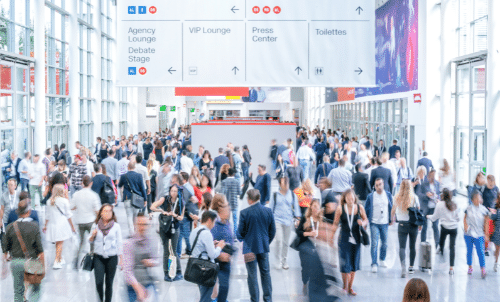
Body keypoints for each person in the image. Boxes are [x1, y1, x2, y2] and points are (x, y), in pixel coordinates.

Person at [2, 198, 44, 302]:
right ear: (29, 212)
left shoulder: (10, 227)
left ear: (17, 212)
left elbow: (5, 250)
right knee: (36, 290)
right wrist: (43, 265)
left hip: (16, 262)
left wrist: (4, 267)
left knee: (18, 292)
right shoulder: (34, 226)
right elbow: (40, 251)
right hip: (32, 262)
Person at [237, 189, 276, 302]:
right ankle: (268, 299)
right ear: (258, 198)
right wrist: (266, 242)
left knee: (252, 276)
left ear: (249, 199)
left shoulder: (244, 213)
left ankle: (255, 299)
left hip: (249, 249)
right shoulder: (268, 211)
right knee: (265, 273)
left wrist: (243, 239)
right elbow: (272, 231)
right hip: (263, 247)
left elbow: (240, 233)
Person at [331, 189, 368, 296]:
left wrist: (363, 222)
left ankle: (350, 287)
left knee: (353, 263)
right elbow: (335, 224)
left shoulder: (360, 207)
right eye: (348, 199)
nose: (351, 200)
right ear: (345, 199)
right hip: (344, 239)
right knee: (344, 263)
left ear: (354, 198)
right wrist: (331, 237)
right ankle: (344, 285)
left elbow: (366, 219)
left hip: (356, 239)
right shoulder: (340, 208)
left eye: (352, 198)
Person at [89, 204, 124, 302]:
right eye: (105, 211)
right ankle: (100, 299)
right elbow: (90, 241)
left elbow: (119, 242)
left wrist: (121, 258)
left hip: (112, 257)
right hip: (98, 257)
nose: (107, 213)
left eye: (109, 211)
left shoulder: (116, 226)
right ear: (100, 213)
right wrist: (93, 235)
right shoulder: (95, 225)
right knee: (99, 282)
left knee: (109, 283)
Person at [189, 211, 226, 302]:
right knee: (206, 297)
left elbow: (198, 248)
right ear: (209, 220)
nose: (213, 225)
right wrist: (219, 247)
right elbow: (212, 255)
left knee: (204, 294)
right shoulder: (207, 233)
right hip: (206, 269)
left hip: (196, 267)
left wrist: (211, 245)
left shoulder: (195, 231)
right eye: (213, 222)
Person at [151, 184, 185, 282]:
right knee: (166, 250)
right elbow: (152, 207)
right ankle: (167, 273)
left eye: (175, 191)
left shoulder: (181, 202)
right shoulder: (164, 199)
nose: (173, 193)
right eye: (172, 191)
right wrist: (161, 211)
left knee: (173, 251)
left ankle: (176, 272)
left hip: (175, 227)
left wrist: (174, 215)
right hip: (165, 226)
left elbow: (181, 217)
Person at [123, 213, 159, 302]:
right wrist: (138, 288)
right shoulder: (128, 243)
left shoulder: (151, 240)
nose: (143, 227)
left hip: (148, 282)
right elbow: (127, 271)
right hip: (133, 286)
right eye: (140, 224)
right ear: (135, 225)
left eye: (145, 224)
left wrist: (151, 262)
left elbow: (157, 259)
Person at [269, 176, 301, 270]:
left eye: (287, 183)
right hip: (277, 220)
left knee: (285, 242)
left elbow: (296, 207)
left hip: (288, 221)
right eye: (284, 183)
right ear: (279, 184)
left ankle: (284, 260)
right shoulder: (275, 195)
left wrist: (298, 218)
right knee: (279, 240)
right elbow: (271, 209)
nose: (286, 185)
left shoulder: (292, 195)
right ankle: (278, 260)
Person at [391, 179, 421, 277]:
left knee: (402, 247)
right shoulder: (414, 197)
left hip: (402, 225)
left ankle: (403, 267)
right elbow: (418, 210)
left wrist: (392, 219)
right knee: (412, 246)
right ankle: (411, 267)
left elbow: (393, 211)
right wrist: (420, 224)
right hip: (413, 225)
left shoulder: (397, 197)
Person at [427, 188, 460, 275]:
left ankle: (440, 248)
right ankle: (451, 268)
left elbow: (434, 217)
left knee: (442, 239)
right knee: (452, 247)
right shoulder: (455, 204)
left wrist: (428, 216)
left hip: (444, 227)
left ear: (442, 195)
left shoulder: (439, 204)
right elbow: (458, 218)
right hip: (454, 228)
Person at [71, 175, 101, 270]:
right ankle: (91, 262)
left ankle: (75, 262)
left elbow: (71, 207)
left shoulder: (76, 194)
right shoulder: (94, 195)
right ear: (91, 183)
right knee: (92, 242)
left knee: (81, 242)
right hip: (91, 221)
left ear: (82, 183)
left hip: (80, 221)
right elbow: (97, 210)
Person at [43, 184, 75, 269]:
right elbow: (68, 215)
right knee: (60, 243)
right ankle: (56, 261)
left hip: (52, 224)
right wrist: (72, 226)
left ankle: (60, 258)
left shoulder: (49, 201)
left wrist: (45, 226)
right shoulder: (64, 201)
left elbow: (47, 216)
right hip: (62, 224)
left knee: (58, 243)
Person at [365, 178, 393, 273]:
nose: (378, 187)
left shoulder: (388, 195)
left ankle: (382, 259)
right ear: (374, 186)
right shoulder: (371, 196)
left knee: (384, 243)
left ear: (383, 184)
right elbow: (366, 209)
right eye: (376, 185)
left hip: (384, 223)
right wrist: (365, 220)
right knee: (374, 243)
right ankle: (374, 263)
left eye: (380, 184)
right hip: (374, 223)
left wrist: (392, 218)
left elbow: (391, 207)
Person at [210, 194, 234, 302]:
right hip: (216, 259)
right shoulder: (213, 223)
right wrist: (219, 254)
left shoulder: (227, 222)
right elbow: (207, 243)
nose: (229, 211)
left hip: (226, 259)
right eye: (227, 208)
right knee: (214, 287)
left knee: (225, 287)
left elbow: (230, 238)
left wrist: (230, 255)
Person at [464, 190, 489, 278]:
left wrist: (486, 234)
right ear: (473, 199)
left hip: (479, 234)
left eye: (480, 198)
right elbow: (465, 218)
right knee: (469, 251)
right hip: (469, 234)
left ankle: (483, 269)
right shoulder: (468, 208)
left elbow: (486, 222)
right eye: (478, 197)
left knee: (480, 252)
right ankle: (470, 267)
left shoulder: (484, 209)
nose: (480, 199)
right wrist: (465, 226)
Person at [118, 161, 147, 235]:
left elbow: (119, 185)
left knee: (129, 216)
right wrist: (145, 199)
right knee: (135, 216)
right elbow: (142, 188)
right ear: (135, 167)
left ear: (128, 167)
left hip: (127, 198)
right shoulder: (139, 176)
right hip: (137, 199)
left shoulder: (124, 176)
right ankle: (135, 230)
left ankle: (131, 232)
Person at [420, 169, 441, 248]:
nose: (433, 177)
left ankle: (437, 245)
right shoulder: (424, 184)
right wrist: (426, 195)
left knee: (435, 226)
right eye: (431, 176)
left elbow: (439, 194)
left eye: (434, 176)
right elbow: (420, 195)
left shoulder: (437, 184)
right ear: (429, 176)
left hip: (435, 208)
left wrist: (438, 199)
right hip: (426, 208)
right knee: (424, 227)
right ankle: (423, 243)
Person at [220, 168, 241, 235]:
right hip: (234, 203)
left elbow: (221, 193)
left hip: (226, 204)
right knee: (235, 220)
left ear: (228, 173)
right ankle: (235, 235)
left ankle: (226, 234)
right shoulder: (237, 181)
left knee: (226, 220)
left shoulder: (224, 182)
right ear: (234, 174)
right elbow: (239, 193)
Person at [489, 193, 500, 271]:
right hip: (497, 233)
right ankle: (496, 263)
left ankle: (496, 262)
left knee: (497, 249)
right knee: (497, 249)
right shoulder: (496, 210)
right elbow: (492, 218)